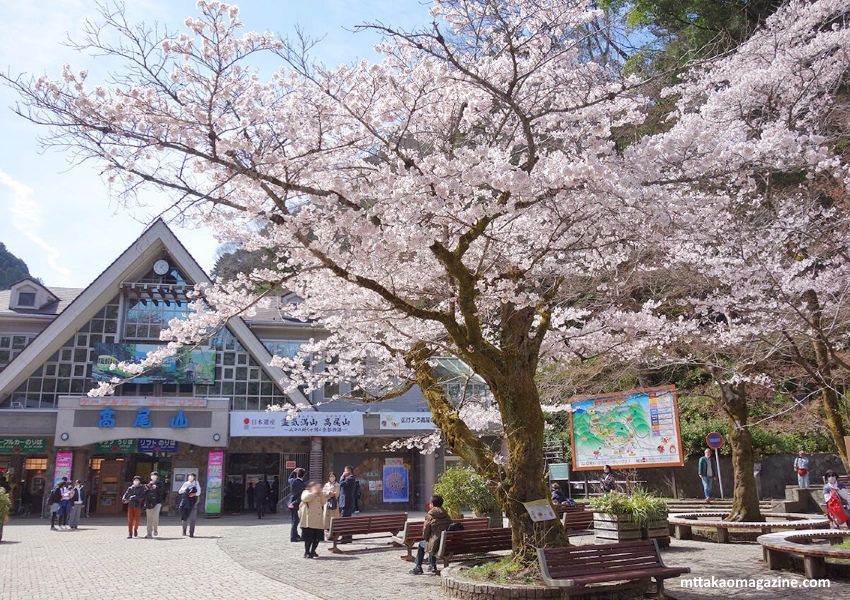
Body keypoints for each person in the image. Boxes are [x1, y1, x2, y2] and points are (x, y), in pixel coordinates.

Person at [409, 495, 453, 575]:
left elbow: (425, 534)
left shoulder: (430, 516)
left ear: (432, 504)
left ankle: (418, 567)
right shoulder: (447, 516)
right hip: (446, 545)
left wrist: (427, 538)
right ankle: (432, 565)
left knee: (423, 543)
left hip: (436, 545)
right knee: (433, 541)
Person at [298, 481, 326, 558]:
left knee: (317, 538)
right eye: (314, 486)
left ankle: (313, 551)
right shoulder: (306, 492)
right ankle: (307, 552)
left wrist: (320, 493)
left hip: (318, 520)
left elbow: (323, 502)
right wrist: (314, 492)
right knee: (308, 538)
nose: (316, 487)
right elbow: (305, 498)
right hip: (309, 520)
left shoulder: (318, 494)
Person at [143, 471, 167, 538]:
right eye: (152, 475)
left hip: (157, 502)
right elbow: (144, 494)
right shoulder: (148, 484)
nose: (153, 477)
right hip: (149, 502)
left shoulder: (160, 484)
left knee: (155, 515)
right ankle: (149, 533)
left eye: (155, 475)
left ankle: (155, 529)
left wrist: (156, 488)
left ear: (157, 477)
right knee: (149, 518)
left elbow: (162, 492)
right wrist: (146, 489)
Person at [178, 473, 202, 537]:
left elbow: (198, 492)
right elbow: (180, 491)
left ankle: (191, 532)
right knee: (184, 517)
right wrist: (186, 488)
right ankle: (184, 530)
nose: (190, 477)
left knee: (193, 518)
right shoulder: (186, 483)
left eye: (192, 476)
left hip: (193, 503)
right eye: (189, 476)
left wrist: (193, 494)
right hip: (186, 503)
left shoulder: (196, 483)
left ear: (194, 477)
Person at [338, 466, 357, 544]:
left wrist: (342, 476)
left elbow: (341, 484)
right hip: (348, 502)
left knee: (344, 520)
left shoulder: (349, 479)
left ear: (348, 472)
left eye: (345, 471)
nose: (344, 472)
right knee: (347, 520)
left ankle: (344, 538)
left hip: (346, 502)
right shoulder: (351, 479)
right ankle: (348, 537)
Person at [288, 468, 306, 542]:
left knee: (293, 520)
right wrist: (294, 503)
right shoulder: (302, 485)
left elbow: (289, 478)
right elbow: (300, 497)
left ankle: (295, 534)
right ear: (304, 475)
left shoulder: (293, 481)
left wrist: (293, 472)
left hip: (291, 501)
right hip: (297, 503)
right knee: (295, 520)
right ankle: (293, 537)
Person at [322, 471, 340, 539]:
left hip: (334, 503)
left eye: (333, 476)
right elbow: (323, 493)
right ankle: (327, 534)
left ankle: (333, 534)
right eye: (330, 476)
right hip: (327, 503)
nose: (332, 478)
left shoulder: (337, 485)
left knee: (334, 519)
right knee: (326, 519)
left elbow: (336, 494)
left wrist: (331, 494)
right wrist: (329, 493)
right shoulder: (326, 485)